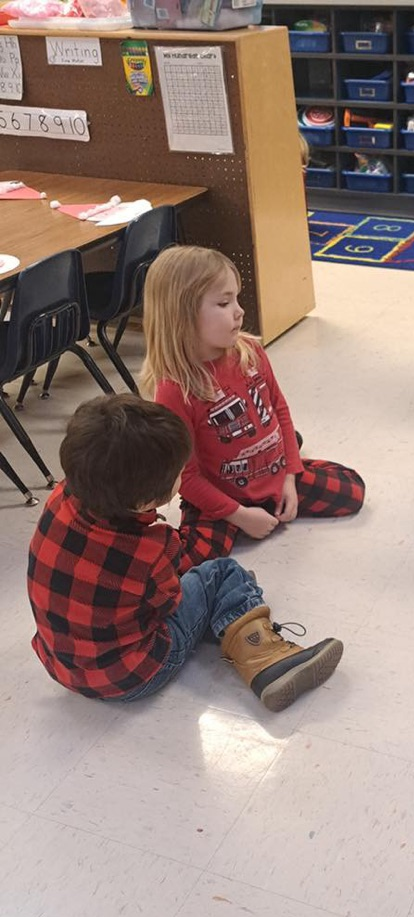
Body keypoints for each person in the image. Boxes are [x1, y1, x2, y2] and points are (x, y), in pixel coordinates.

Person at [28, 394, 343, 709]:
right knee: (223, 574)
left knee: (183, 585)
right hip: (135, 675)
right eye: (181, 472)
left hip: (62, 666)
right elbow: (169, 603)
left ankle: (229, 619)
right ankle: (267, 659)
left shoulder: (60, 497)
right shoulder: (152, 548)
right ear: (145, 502)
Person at [140, 245, 365, 571]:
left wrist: (290, 476)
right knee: (184, 563)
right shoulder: (175, 390)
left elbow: (279, 409)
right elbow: (185, 476)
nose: (239, 311)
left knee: (352, 490)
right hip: (222, 497)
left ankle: (287, 452)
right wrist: (240, 516)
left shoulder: (250, 350)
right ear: (182, 315)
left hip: (274, 476)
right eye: (224, 303)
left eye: (237, 299)